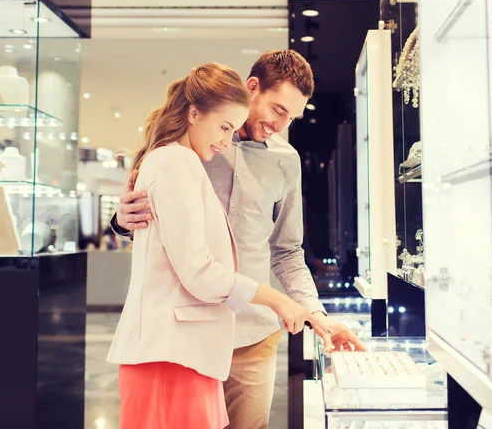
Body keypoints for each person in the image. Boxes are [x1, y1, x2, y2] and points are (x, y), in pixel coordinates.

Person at [111, 51, 366, 429]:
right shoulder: (191, 144)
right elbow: (151, 221)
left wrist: (315, 314)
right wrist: (120, 221)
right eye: (278, 110)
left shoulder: (286, 160)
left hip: (253, 332)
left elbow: (287, 250)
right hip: (188, 334)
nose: (281, 125)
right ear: (252, 88)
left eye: (292, 118)